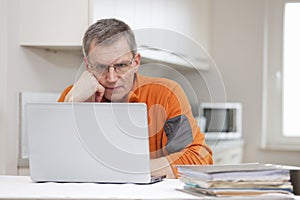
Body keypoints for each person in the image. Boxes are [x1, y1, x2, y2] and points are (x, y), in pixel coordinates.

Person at [58, 18, 213, 178]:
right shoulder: (73, 95)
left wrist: (128, 169)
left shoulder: (166, 94)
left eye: (121, 66)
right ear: (87, 65)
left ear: (136, 62)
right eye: (100, 67)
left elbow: (198, 159)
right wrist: (71, 104)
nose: (111, 78)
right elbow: (54, 160)